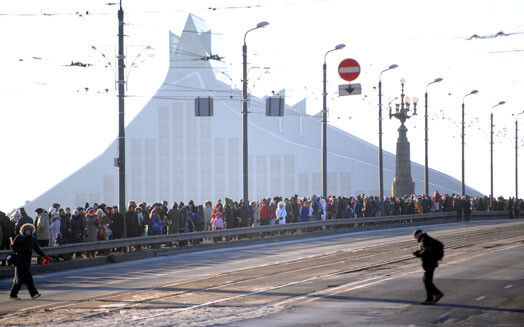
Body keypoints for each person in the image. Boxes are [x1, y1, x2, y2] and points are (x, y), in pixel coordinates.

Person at [10, 223, 49, 300]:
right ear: (23, 231)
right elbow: (13, 247)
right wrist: (22, 250)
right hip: (20, 260)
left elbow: (37, 249)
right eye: (27, 231)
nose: (28, 232)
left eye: (30, 231)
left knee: (21, 278)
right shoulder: (19, 238)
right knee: (25, 278)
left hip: (27, 261)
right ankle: (33, 294)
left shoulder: (32, 239)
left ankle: (14, 294)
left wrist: (44, 256)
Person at [413, 229, 444, 305]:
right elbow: (427, 249)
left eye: (415, 237)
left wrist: (418, 254)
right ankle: (432, 297)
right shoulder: (427, 238)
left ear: (418, 235)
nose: (416, 239)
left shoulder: (424, 239)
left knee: (427, 281)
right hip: (431, 262)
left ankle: (435, 295)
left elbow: (427, 251)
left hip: (429, 263)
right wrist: (419, 252)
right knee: (427, 281)